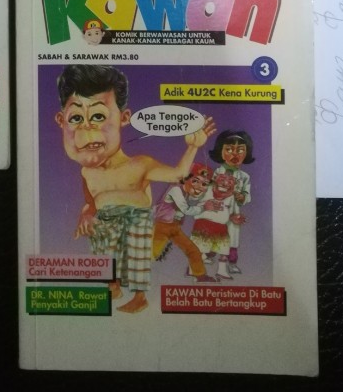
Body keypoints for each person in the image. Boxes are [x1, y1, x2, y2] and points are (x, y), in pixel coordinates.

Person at [55, 64, 215, 313]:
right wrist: (86, 213)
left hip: (136, 218)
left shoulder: (140, 164)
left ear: (124, 117)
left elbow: (178, 174)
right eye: (76, 118)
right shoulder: (87, 172)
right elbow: (91, 200)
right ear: (61, 120)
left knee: (137, 257)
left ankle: (139, 297)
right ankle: (112, 286)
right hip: (106, 220)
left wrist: (193, 147)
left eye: (98, 116)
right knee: (103, 253)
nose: (87, 128)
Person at [152, 164, 216, 282]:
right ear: (186, 178)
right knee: (150, 254)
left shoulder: (186, 191)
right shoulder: (176, 189)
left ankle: (200, 275)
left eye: (204, 184)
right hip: (162, 227)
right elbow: (186, 210)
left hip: (175, 228)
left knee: (193, 250)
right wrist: (204, 207)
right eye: (195, 181)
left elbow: (194, 199)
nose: (199, 186)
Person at [209, 129, 254, 272]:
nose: (234, 154)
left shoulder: (244, 177)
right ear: (221, 152)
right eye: (229, 149)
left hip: (234, 212)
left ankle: (232, 263)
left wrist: (242, 197)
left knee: (232, 238)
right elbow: (210, 190)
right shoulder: (217, 172)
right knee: (215, 235)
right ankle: (208, 256)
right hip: (217, 210)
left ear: (246, 153)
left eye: (240, 150)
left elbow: (247, 194)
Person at [190, 169, 246, 281]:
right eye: (222, 179)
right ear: (215, 179)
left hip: (221, 227)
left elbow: (231, 212)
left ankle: (222, 270)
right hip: (203, 225)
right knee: (199, 249)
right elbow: (192, 196)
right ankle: (192, 270)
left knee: (223, 250)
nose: (225, 184)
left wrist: (235, 218)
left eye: (230, 181)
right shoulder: (206, 189)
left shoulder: (231, 197)